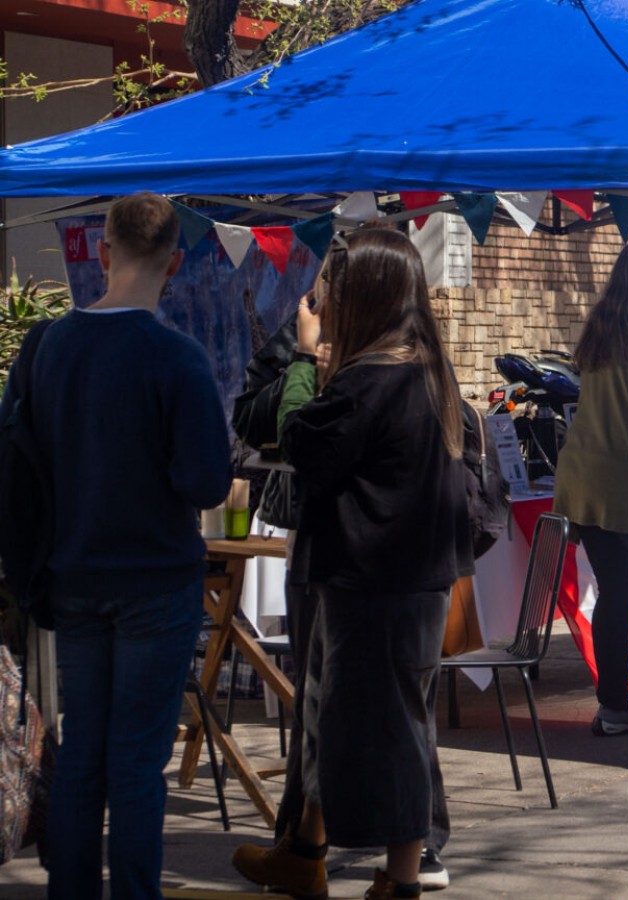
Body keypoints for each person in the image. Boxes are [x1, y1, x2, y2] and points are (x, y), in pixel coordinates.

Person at [0, 193, 232, 899]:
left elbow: (18, 464)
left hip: (72, 577)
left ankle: (71, 888)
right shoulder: (178, 358)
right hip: (156, 582)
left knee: (82, 755)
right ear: (176, 262)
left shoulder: (47, 349)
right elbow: (205, 482)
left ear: (102, 254)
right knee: (136, 761)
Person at [234, 227, 473, 900]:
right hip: (395, 581)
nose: (322, 298)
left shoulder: (375, 379)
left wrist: (307, 360)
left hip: (376, 586)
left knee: (384, 735)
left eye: (333, 286)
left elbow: (302, 441)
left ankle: (398, 882)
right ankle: (303, 849)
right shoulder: (423, 368)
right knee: (329, 718)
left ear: (362, 292)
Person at [555, 241, 628, 736]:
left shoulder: (602, 329)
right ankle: (627, 703)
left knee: (618, 594)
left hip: (585, 478)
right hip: (625, 482)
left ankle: (613, 703)